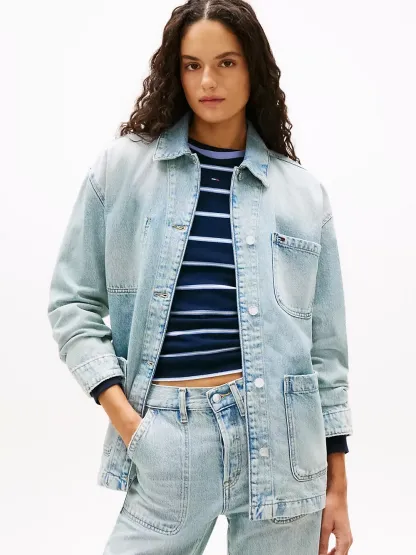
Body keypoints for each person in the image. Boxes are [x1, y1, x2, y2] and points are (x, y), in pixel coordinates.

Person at [47, 1, 353, 553]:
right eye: (192, 65)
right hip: (169, 437)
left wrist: (338, 486)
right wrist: (131, 424)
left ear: (254, 68)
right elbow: (72, 304)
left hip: (287, 449)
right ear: (176, 71)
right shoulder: (123, 169)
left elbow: (326, 354)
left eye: (226, 63)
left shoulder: (303, 195)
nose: (208, 81)